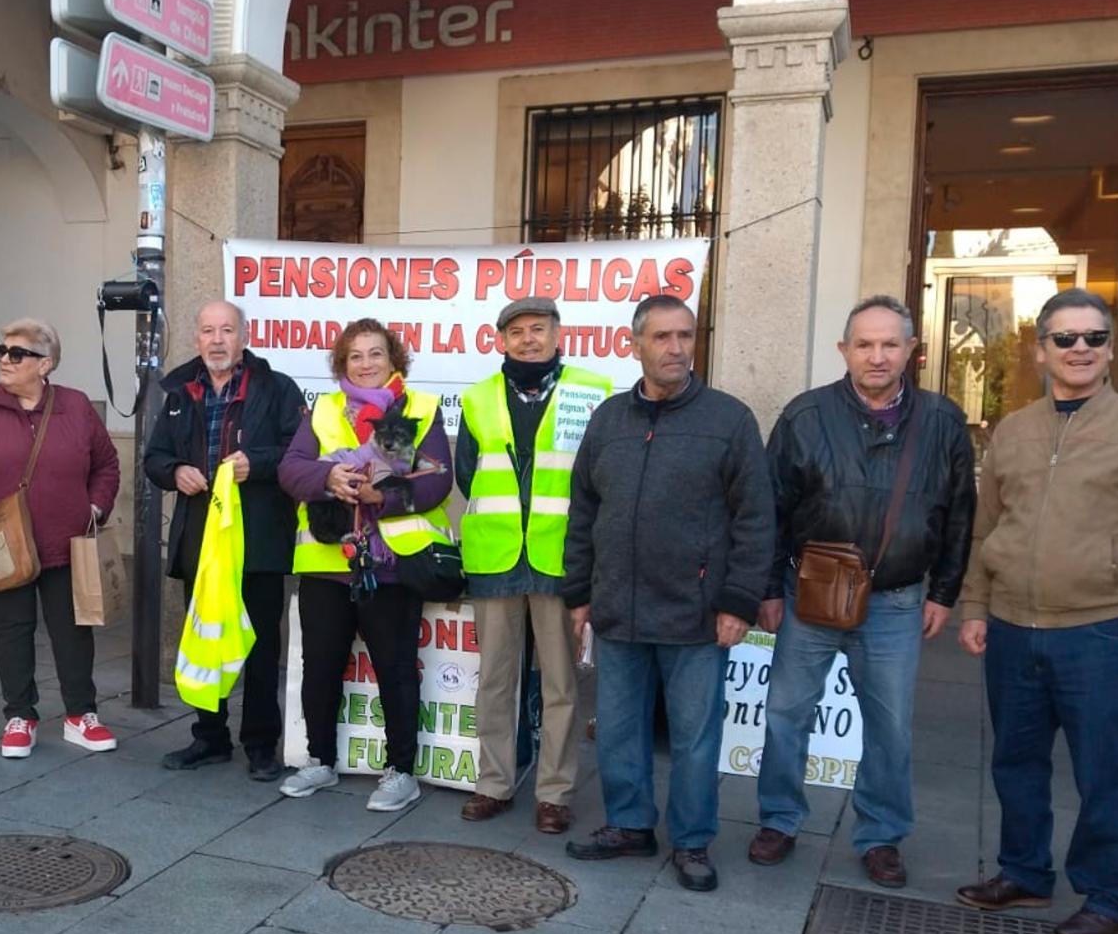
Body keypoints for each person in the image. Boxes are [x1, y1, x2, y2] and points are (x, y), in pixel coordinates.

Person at [954, 289, 1118, 934]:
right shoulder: (1012, 432)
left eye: (1093, 337)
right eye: (1064, 338)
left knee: (1105, 768)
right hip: (1012, 624)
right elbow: (987, 530)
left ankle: (1109, 894)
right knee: (1014, 761)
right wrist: (976, 606)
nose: (1079, 349)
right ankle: (1025, 871)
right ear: (1041, 351)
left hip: (1097, 629)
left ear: (1110, 348)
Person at [751, 295, 976, 888]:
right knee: (785, 715)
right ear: (844, 350)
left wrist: (945, 591)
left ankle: (881, 836)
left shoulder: (943, 421)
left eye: (890, 344)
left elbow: (960, 513)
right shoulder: (805, 415)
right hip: (811, 595)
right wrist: (769, 589)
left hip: (897, 601)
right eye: (865, 344)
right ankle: (779, 820)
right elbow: (770, 509)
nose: (877, 356)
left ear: (912, 350)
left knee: (891, 726)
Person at [560, 296, 774, 890]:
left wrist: (737, 601)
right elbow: (584, 511)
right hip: (618, 607)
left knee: (694, 736)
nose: (676, 347)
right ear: (635, 345)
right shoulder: (607, 420)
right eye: (662, 337)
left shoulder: (729, 420)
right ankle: (629, 826)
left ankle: (692, 840)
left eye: (684, 335)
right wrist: (580, 592)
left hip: (696, 614)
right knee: (621, 728)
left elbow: (756, 519)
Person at [276, 318, 454, 813]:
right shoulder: (325, 408)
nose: (366, 364)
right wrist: (329, 475)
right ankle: (319, 760)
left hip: (391, 567)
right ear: (342, 363)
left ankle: (401, 771)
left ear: (394, 359)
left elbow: (438, 479)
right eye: (355, 356)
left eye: (376, 354)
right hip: (327, 564)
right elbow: (291, 469)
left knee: (395, 669)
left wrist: (385, 496)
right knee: (320, 668)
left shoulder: (419, 408)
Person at [456, 296, 613, 836]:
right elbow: (466, 473)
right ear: (501, 340)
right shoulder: (477, 399)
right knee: (495, 679)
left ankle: (554, 793)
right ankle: (493, 783)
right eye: (517, 331)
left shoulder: (591, 391)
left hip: (558, 557)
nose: (528, 339)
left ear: (557, 334)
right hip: (495, 556)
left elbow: (598, 476)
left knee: (561, 683)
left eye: (538, 329)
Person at [0, 318, 121, 758]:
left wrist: (94, 507)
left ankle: (80, 715)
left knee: (74, 630)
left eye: (17, 354)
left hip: (65, 541)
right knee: (10, 630)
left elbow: (107, 464)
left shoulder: (75, 407)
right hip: (1, 542)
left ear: (46, 363)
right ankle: (20, 715)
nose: (5, 360)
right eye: (1, 350)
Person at [144, 300, 305, 782]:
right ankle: (209, 737)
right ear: (197, 338)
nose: (217, 340)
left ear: (244, 336)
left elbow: (300, 454)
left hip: (257, 539)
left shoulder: (277, 388)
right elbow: (153, 458)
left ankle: (260, 744)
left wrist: (256, 464)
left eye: (227, 330)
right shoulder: (177, 389)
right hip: (201, 538)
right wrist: (176, 472)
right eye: (208, 330)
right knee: (205, 641)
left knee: (258, 646)